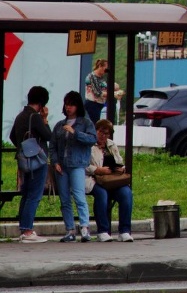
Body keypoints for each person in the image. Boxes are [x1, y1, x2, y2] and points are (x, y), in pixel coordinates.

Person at [52, 90, 97, 243]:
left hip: (77, 164)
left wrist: (75, 132)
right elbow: (53, 146)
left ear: (77, 106)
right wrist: (55, 162)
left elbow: (92, 139)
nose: (68, 107)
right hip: (62, 166)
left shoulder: (85, 123)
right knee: (64, 199)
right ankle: (70, 229)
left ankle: (85, 227)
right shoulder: (59, 125)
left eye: (71, 104)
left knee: (79, 195)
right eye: (66, 104)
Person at [10, 86, 53, 243]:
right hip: (37, 160)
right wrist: (45, 119)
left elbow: (12, 136)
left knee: (26, 194)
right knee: (34, 195)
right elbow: (48, 135)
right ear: (42, 103)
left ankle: (23, 229)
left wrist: (24, 148)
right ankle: (28, 231)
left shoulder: (21, 115)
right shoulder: (35, 117)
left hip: (24, 160)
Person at [89, 119, 134, 242]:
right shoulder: (89, 145)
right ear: (96, 131)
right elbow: (84, 165)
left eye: (106, 133)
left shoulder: (111, 145)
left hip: (112, 180)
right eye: (101, 132)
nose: (103, 136)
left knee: (126, 193)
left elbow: (119, 161)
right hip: (96, 179)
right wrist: (98, 170)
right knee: (101, 194)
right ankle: (103, 230)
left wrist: (121, 169)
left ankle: (124, 231)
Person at [83, 58, 122, 123]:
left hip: (100, 103)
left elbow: (109, 87)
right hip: (93, 103)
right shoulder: (92, 77)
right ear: (100, 66)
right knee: (96, 123)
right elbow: (97, 92)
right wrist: (113, 94)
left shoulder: (102, 78)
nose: (105, 71)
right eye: (105, 69)